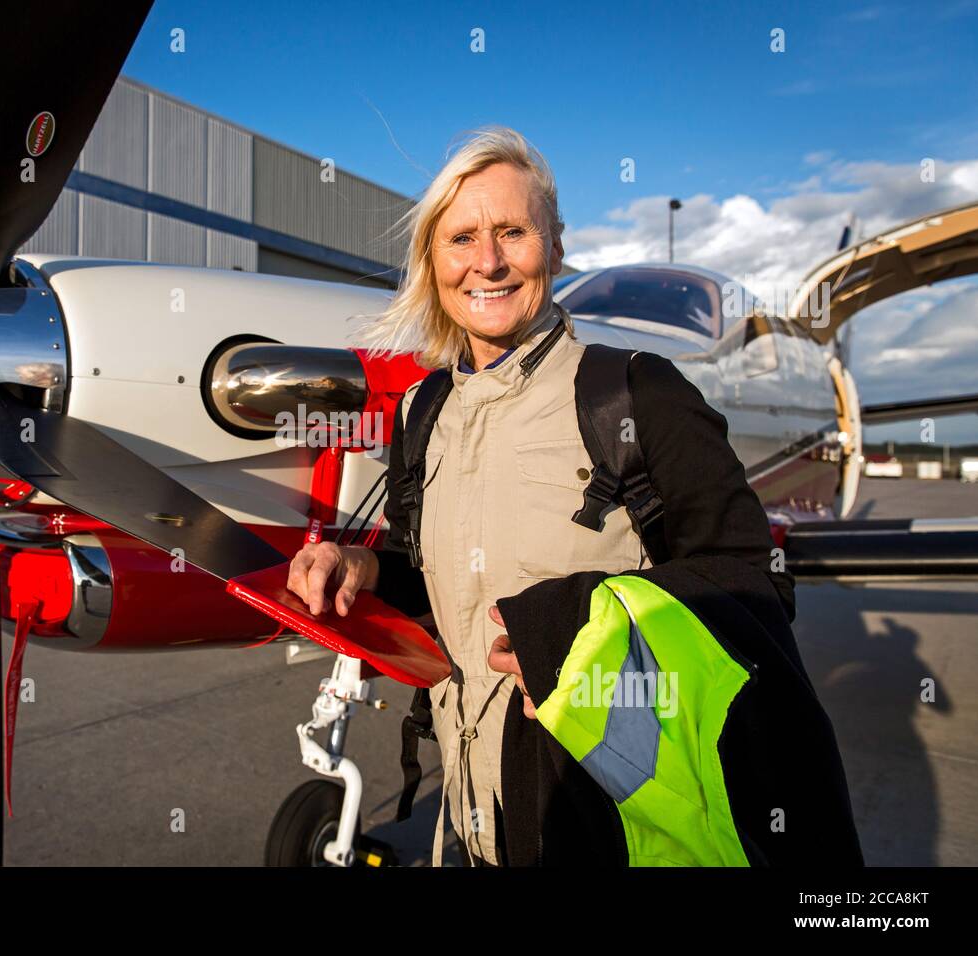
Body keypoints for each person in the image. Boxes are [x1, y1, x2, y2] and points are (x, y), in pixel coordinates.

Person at [285, 126, 802, 866]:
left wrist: (586, 644)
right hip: (463, 823)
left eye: (512, 233)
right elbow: (435, 582)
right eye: (461, 238)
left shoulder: (638, 393)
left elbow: (757, 594)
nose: (487, 261)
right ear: (433, 261)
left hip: (605, 820)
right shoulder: (421, 413)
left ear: (554, 248)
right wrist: (366, 569)